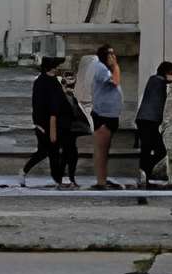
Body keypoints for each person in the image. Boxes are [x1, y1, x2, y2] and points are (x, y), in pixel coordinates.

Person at [21, 56, 83, 187]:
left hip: (57, 123)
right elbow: (48, 107)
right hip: (51, 124)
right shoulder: (47, 82)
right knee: (52, 152)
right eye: (55, 67)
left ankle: (63, 179)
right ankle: (61, 179)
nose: (57, 69)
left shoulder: (50, 81)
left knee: (59, 152)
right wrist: (44, 126)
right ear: (50, 68)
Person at [82, 47, 125, 189]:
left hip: (111, 115)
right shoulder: (101, 68)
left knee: (105, 152)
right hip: (103, 116)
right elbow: (115, 81)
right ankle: (101, 181)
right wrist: (116, 66)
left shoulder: (105, 68)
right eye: (110, 54)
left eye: (114, 53)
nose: (113, 56)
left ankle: (103, 179)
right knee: (101, 151)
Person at [135, 60, 172, 187]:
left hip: (149, 120)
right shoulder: (156, 80)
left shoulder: (157, 81)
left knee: (152, 150)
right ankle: (144, 173)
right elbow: (163, 81)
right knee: (153, 150)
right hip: (147, 120)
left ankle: (145, 173)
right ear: (166, 73)